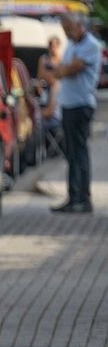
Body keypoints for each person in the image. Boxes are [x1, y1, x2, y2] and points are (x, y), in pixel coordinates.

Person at [50, 13, 103, 213]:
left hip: (81, 105)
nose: (66, 33)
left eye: (68, 29)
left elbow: (69, 69)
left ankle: (84, 198)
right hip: (68, 104)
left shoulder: (90, 45)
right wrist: (62, 69)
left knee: (79, 152)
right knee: (71, 153)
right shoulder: (72, 45)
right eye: (64, 30)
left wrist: (62, 69)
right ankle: (73, 197)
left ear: (78, 26)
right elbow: (60, 70)